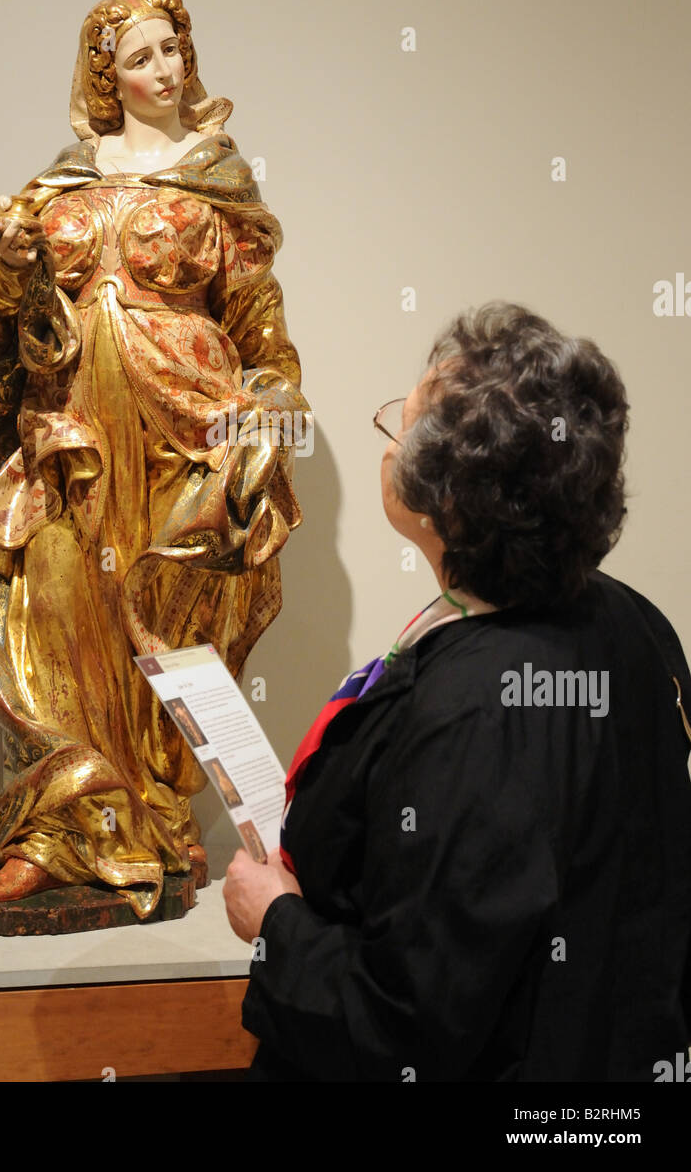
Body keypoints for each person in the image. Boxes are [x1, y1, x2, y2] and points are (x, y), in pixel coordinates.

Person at [223, 302, 691, 1081]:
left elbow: (413, 1021)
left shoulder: (480, 711)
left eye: (397, 428)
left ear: (445, 501)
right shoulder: (637, 622)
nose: (386, 447)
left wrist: (275, 921)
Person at [0, 0, 308, 917]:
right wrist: (2, 258)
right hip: (68, 431)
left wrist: (269, 412)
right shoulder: (58, 185)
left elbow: (261, 336)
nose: (164, 71)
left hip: (180, 428)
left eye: (173, 51)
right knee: (50, 613)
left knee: (161, 622)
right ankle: (48, 835)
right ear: (103, 74)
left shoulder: (216, 179)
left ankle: (155, 814)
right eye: (140, 57)